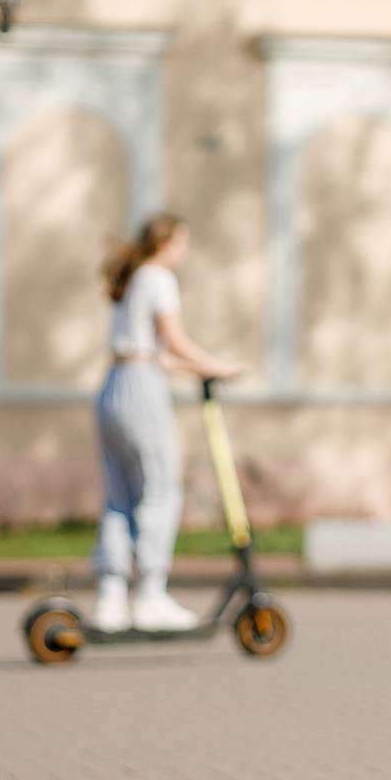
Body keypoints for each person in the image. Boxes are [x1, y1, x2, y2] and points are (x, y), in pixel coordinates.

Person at [95, 214, 241, 633]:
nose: (185, 252)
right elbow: (173, 340)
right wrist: (219, 367)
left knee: (119, 494)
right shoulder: (158, 277)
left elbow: (150, 349)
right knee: (161, 488)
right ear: (167, 244)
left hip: (113, 383)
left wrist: (196, 368)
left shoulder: (131, 279)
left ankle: (111, 598)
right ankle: (151, 594)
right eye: (183, 243)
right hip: (142, 387)